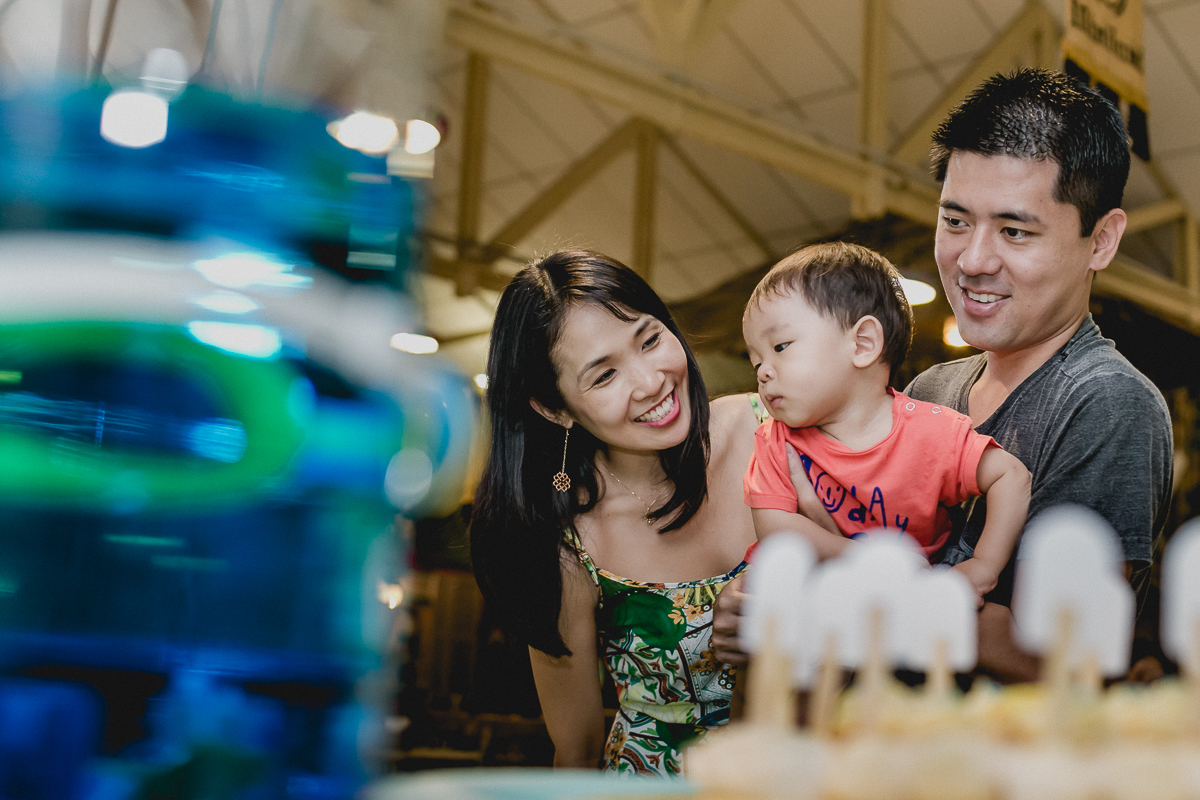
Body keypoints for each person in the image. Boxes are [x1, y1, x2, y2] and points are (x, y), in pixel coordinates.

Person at [715, 68, 1173, 683]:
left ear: (1102, 240)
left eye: (1014, 231)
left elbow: (1073, 657)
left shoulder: (1106, 403)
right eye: (955, 221)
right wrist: (763, 611)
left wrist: (867, 593)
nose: (973, 260)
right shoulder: (932, 391)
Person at [470, 249, 816, 775]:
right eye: (604, 376)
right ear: (555, 407)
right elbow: (578, 753)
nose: (651, 381)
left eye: (650, 339)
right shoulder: (569, 552)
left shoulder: (769, 426)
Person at [741, 242, 1031, 603]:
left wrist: (984, 566)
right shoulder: (775, 440)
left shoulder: (932, 434)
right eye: (756, 361)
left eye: (780, 346)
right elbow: (777, 528)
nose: (764, 372)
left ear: (863, 344)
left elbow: (1011, 476)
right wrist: (872, 562)